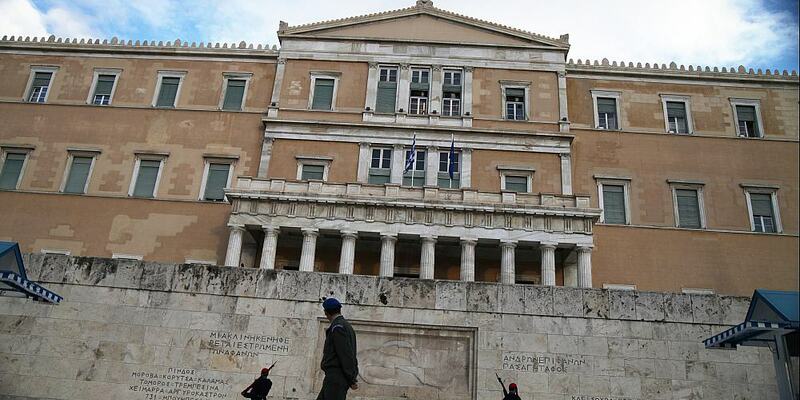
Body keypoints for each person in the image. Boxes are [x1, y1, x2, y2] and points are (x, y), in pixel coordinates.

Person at [317, 297, 359, 400]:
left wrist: (351, 379)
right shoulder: (346, 326)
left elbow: (345, 355)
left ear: (326, 312)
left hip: (336, 378)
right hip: (335, 378)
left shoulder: (337, 327)